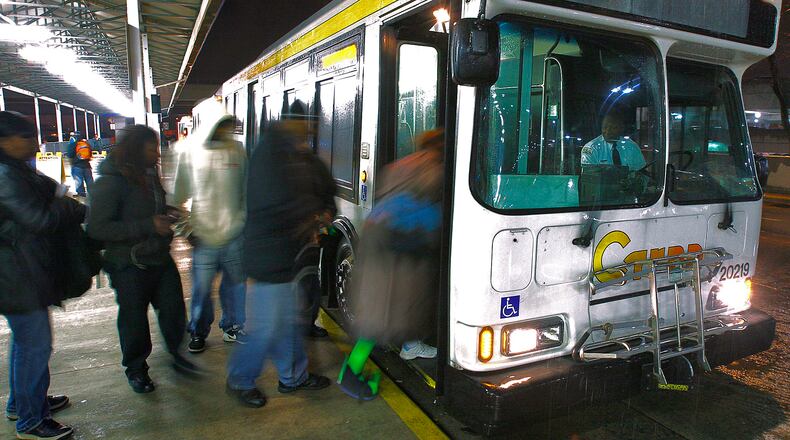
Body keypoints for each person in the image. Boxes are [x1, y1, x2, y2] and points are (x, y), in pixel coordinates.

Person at [226, 100, 333, 408]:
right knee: (268, 327)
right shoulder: (270, 155)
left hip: (288, 255)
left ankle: (293, 377)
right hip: (269, 257)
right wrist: (312, 215)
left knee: (287, 322)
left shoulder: (293, 153)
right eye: (307, 123)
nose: (311, 129)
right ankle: (240, 378)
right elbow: (270, 204)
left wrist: (320, 211)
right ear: (292, 123)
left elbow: (317, 188)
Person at [87, 125, 199, 394]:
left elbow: (152, 210)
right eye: (152, 149)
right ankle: (136, 369)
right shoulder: (110, 182)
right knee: (134, 320)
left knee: (173, 312)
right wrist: (148, 225)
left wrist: (168, 212)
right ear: (136, 150)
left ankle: (177, 354)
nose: (157, 155)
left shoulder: (148, 176)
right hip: (128, 265)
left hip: (160, 258)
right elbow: (97, 228)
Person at [337, 129, 445, 400]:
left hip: (385, 239)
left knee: (389, 307)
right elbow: (428, 200)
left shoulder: (403, 163)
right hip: (400, 242)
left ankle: (409, 344)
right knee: (383, 314)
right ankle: (350, 374)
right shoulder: (430, 165)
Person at [0, 111, 86, 439]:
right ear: (5, 141)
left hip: (22, 272)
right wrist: (64, 205)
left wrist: (67, 203)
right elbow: (41, 219)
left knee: (26, 344)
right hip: (16, 276)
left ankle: (22, 403)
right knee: (35, 345)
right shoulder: (6, 175)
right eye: (25, 136)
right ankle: (31, 419)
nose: (33, 142)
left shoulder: (18, 170)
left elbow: (56, 198)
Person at [171, 115, 247, 353]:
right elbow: (176, 198)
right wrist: (187, 230)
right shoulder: (190, 152)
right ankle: (198, 330)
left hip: (234, 235)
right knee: (201, 290)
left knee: (235, 286)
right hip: (203, 237)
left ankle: (232, 326)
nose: (227, 131)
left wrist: (243, 222)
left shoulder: (237, 150)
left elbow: (246, 190)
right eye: (222, 125)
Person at [581, 111, 646, 171]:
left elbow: (641, 171)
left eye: (613, 128)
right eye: (605, 127)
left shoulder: (631, 146)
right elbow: (589, 178)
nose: (608, 131)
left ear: (621, 128)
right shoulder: (592, 148)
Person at [66, 131, 93, 198]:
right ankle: (93, 193)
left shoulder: (73, 144)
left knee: (79, 181)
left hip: (77, 166)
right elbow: (90, 154)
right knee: (89, 180)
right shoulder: (86, 144)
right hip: (87, 166)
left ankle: (81, 194)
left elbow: (69, 155)